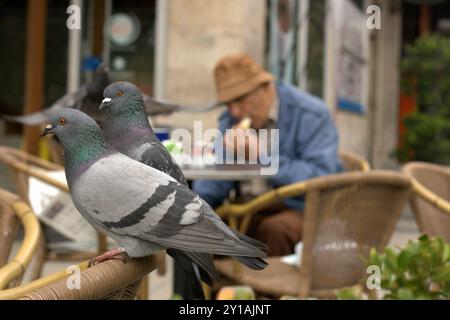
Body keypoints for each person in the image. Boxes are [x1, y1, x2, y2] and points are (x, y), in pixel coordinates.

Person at [193, 53, 342, 256]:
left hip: (302, 208)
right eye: (228, 104)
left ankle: (271, 288)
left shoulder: (311, 114)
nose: (235, 111)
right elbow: (215, 183)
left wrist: (263, 157)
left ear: (266, 87)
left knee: (274, 231)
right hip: (248, 207)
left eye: (240, 100)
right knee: (194, 231)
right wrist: (194, 207)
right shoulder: (230, 119)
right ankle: (196, 289)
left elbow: (321, 177)